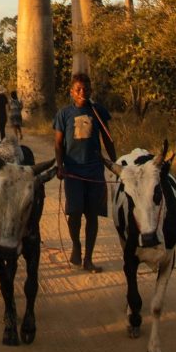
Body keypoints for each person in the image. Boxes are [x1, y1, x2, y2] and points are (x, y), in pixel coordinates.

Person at [53, 73, 116, 273]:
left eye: (86, 89)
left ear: (91, 91)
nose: (83, 93)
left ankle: (88, 259)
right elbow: (57, 143)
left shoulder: (98, 111)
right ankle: (76, 246)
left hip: (94, 170)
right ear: (71, 92)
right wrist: (60, 165)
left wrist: (115, 163)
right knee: (74, 213)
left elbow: (107, 139)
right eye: (78, 89)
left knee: (92, 215)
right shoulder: (64, 114)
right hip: (73, 170)